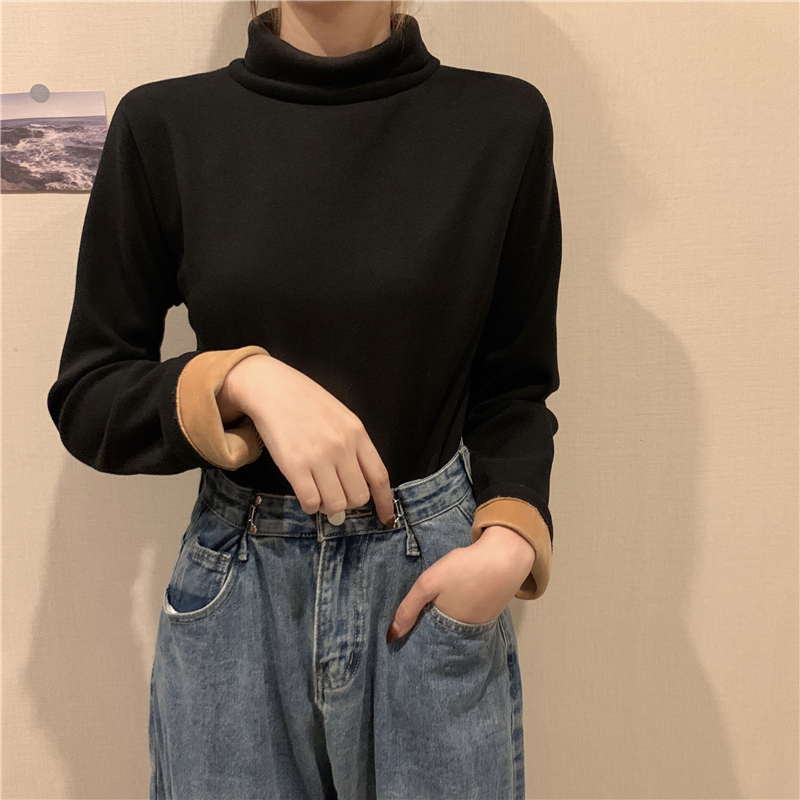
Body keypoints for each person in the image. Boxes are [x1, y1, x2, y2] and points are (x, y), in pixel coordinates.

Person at [46, 1, 562, 797]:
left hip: (430, 589)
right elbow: (90, 393)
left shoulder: (500, 122)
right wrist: (238, 378)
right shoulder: (166, 126)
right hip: (240, 594)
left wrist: (509, 545)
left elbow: (515, 387)